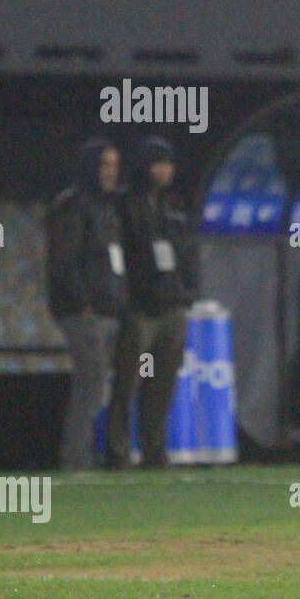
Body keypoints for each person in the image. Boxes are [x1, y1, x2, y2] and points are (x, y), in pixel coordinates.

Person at [105, 137, 198, 469]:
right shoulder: (126, 204)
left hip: (172, 307)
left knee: (163, 384)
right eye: (159, 163)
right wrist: (131, 295)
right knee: (127, 381)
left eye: (169, 163)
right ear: (145, 167)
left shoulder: (172, 205)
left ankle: (154, 450)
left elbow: (186, 251)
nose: (165, 170)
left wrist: (187, 291)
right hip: (140, 309)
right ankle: (117, 452)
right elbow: (126, 255)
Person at [45, 139, 128, 469]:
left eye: (114, 165)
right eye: (105, 164)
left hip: (109, 309)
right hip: (84, 312)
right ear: (91, 167)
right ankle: (76, 459)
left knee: (96, 385)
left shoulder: (107, 207)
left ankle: (86, 456)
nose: (111, 172)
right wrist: (83, 305)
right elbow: (63, 263)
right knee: (91, 382)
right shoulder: (73, 206)